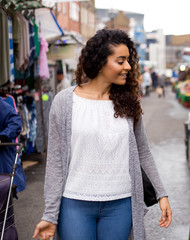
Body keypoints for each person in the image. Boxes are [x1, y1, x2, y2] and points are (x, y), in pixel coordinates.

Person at [32, 29, 172, 240]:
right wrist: (50, 214)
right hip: (74, 203)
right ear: (100, 62)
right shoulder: (64, 102)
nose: (128, 67)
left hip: (121, 203)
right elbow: (55, 162)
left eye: (128, 61)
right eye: (121, 61)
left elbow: (143, 152)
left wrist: (162, 194)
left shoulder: (129, 102)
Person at [0, 97, 26, 194]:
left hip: (2, 161)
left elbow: (15, 122)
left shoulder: (1, 104)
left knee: (3, 202)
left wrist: (3, 136)